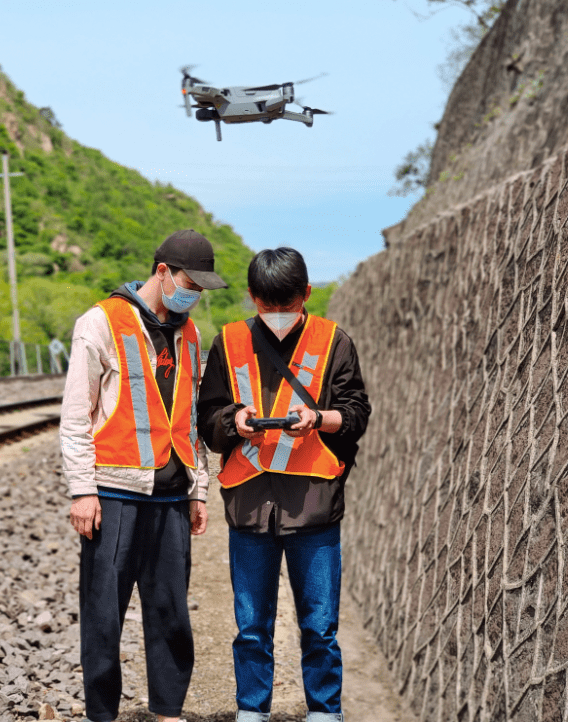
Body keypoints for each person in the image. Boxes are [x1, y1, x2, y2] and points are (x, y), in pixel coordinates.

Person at [60, 229, 228, 722]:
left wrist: (199, 489)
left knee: (171, 615)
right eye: (189, 283)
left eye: (201, 288)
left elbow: (194, 419)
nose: (194, 294)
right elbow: (76, 415)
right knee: (103, 615)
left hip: (172, 499)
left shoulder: (191, 333)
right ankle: (102, 715)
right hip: (113, 495)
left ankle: (168, 712)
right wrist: (82, 490)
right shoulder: (101, 322)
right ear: (162, 273)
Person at [198, 247, 371, 722]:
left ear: (306, 295)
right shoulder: (227, 342)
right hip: (250, 507)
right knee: (251, 626)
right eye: (266, 305)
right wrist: (236, 421)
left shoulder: (334, 342)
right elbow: (207, 419)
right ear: (252, 297)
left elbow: (357, 413)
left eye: (286, 305)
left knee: (319, 626)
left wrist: (318, 418)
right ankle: (251, 711)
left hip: (313, 507)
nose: (276, 315)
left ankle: (324, 712)